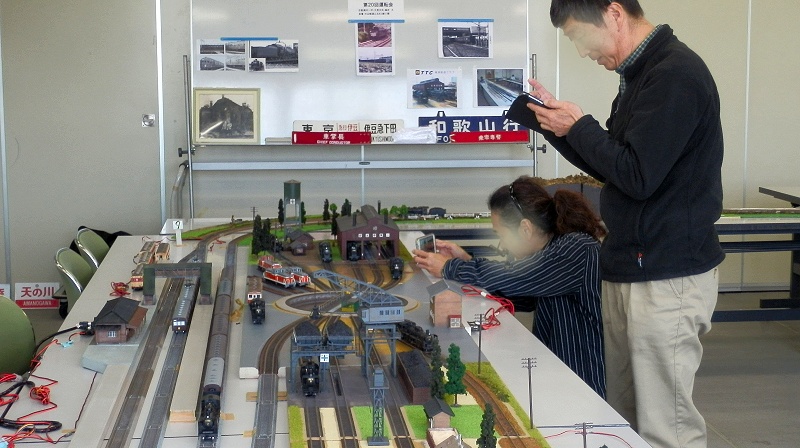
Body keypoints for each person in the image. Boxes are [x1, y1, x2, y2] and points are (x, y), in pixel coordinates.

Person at [505, 1, 725, 447]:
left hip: (666, 273)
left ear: (614, 13)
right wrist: (556, 127)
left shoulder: (675, 75)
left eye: (578, 35)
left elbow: (639, 176)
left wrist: (580, 125)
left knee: (666, 427)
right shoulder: (640, 76)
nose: (582, 51)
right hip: (631, 266)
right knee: (625, 417)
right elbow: (615, 167)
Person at [413, 176, 606, 398]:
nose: (503, 245)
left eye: (501, 235)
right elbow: (518, 292)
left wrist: (450, 267)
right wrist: (465, 261)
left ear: (525, 228)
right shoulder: (555, 248)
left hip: (582, 385)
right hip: (560, 377)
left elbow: (515, 276)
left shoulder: (576, 249)